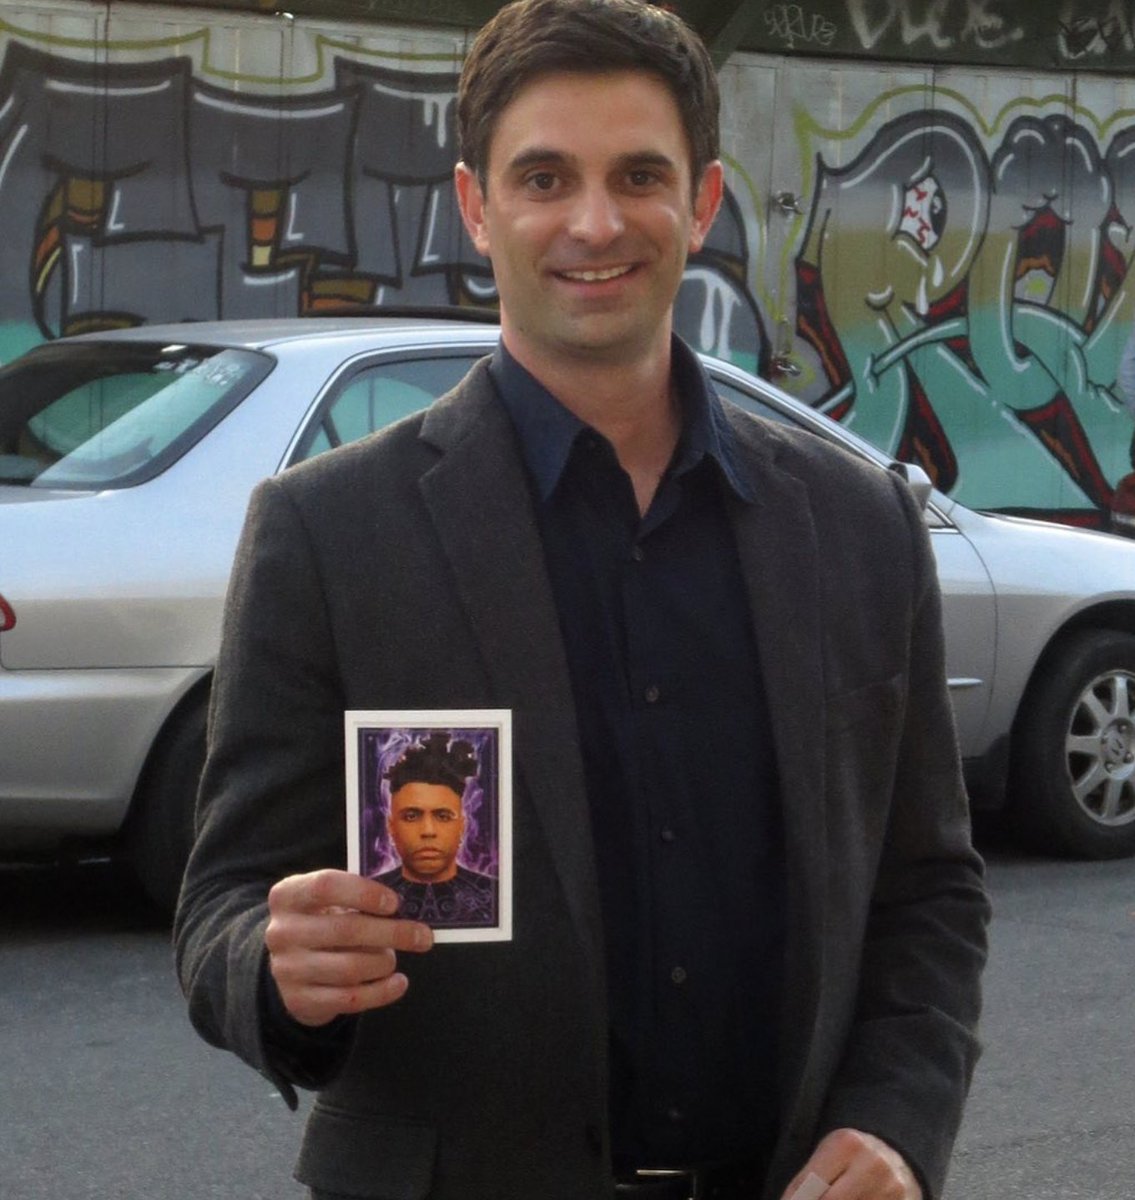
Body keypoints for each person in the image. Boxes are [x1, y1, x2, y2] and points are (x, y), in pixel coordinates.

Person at [174, 2, 990, 1198]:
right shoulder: (329, 532)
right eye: (545, 177)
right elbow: (221, 910)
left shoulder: (857, 522)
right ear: (475, 206)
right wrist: (275, 963)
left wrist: (898, 1121)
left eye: (639, 176)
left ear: (702, 203)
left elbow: (928, 887)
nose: (594, 223)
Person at [374, 732, 496, 925]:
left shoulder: (496, 895)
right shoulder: (368, 895)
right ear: (391, 827)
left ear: (462, 827)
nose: (428, 831)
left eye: (443, 816)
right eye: (411, 816)